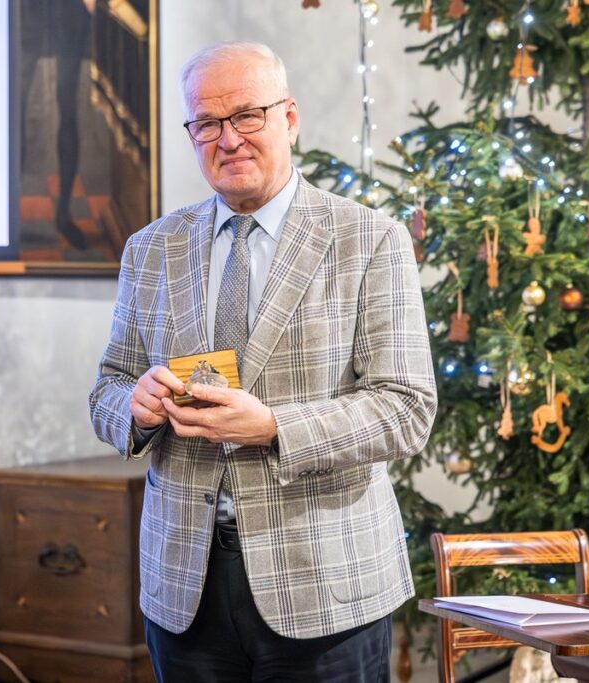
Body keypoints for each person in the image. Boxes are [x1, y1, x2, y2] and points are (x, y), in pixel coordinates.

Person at [89, 41, 436, 682]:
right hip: (184, 588)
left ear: (290, 118)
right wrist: (133, 409)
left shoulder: (370, 239)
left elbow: (406, 409)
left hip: (327, 586)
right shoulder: (151, 248)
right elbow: (108, 385)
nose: (228, 139)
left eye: (247, 115)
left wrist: (274, 426)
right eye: (207, 123)